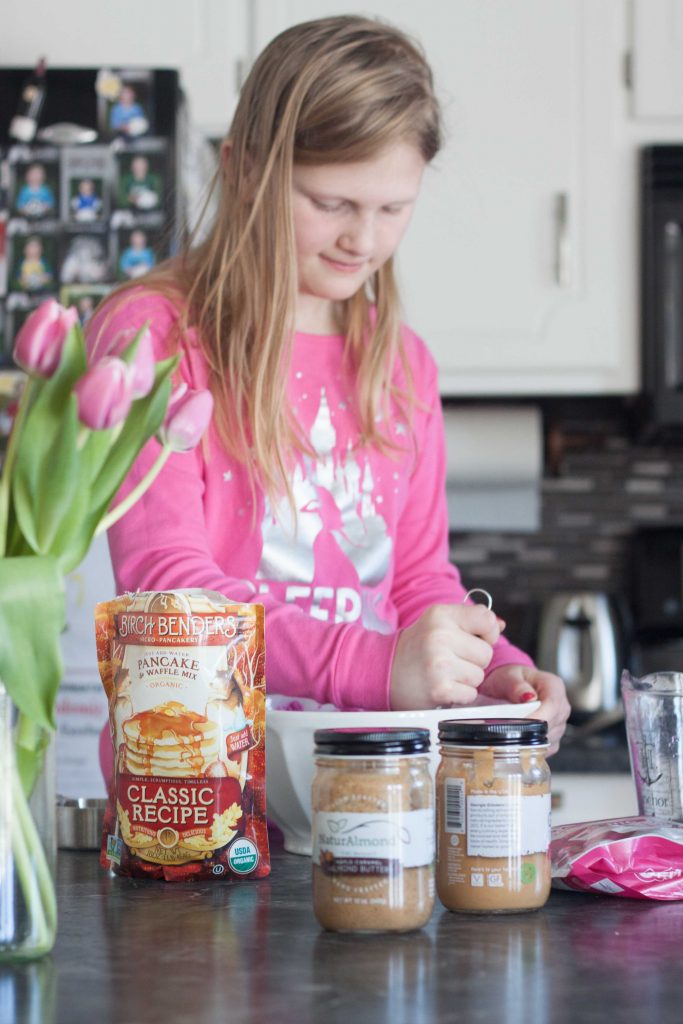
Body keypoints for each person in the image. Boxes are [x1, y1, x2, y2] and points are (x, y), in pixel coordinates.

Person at [88, 15, 569, 752]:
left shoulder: (400, 361)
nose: (363, 240)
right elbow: (168, 588)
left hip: (368, 784)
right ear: (243, 169)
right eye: (330, 202)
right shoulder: (153, 334)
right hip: (197, 784)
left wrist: (495, 673)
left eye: (391, 208)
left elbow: (413, 578)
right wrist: (376, 666)